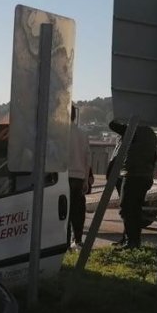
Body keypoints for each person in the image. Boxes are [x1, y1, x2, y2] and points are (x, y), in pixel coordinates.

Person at [108, 119, 157, 249]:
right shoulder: (151, 133)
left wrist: (122, 115)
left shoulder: (134, 130)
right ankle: (129, 240)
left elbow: (112, 124)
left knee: (127, 209)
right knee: (134, 209)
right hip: (144, 175)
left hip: (133, 175)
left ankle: (132, 242)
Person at [67, 105, 91, 248]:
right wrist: (86, 180)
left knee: (64, 212)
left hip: (63, 178)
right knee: (78, 211)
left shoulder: (59, 134)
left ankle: (64, 241)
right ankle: (77, 240)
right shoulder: (82, 134)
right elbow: (88, 159)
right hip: (79, 177)